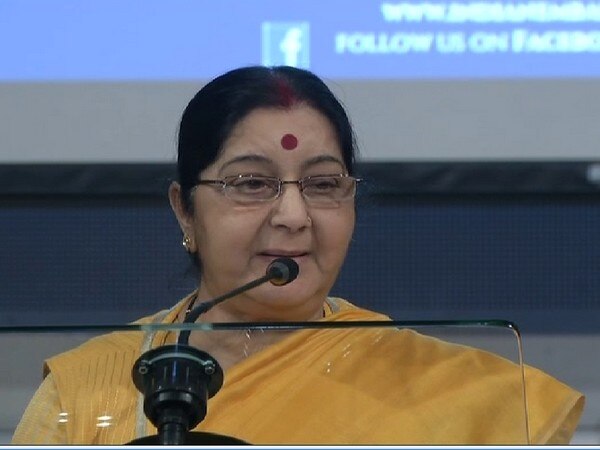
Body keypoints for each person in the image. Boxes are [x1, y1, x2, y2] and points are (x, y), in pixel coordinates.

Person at [12, 66, 584, 445]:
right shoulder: (90, 388)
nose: (293, 215)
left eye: (324, 184)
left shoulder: (459, 392)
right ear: (185, 210)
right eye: (252, 183)